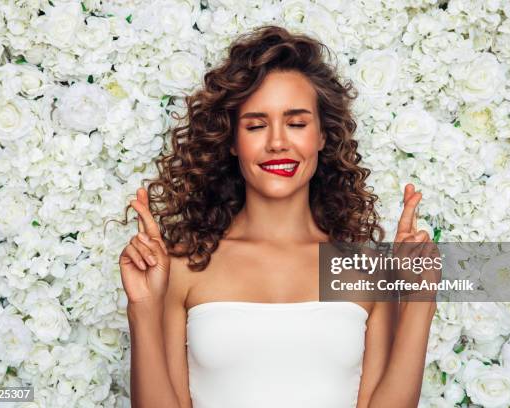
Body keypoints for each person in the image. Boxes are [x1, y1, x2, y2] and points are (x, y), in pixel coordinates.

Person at [118, 25, 438, 408]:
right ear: (232, 141)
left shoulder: (363, 269)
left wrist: (421, 297)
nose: (277, 142)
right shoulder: (184, 266)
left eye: (297, 123)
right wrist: (141, 307)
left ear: (322, 136)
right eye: (255, 125)